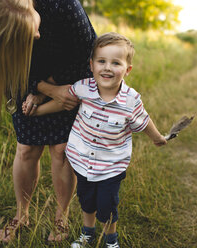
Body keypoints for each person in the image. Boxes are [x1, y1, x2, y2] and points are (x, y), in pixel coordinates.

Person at [0, 0, 96, 244]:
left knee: (61, 150)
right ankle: (21, 215)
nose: (38, 35)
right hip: (23, 77)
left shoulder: (64, 6)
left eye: (33, 28)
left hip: (70, 75)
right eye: (28, 34)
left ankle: (61, 216)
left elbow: (86, 57)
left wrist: (52, 92)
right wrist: (41, 88)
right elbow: (5, 65)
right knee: (26, 148)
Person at [26, 32, 167, 248]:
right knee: (86, 201)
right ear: (91, 65)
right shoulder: (83, 88)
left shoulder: (131, 101)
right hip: (82, 161)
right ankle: (87, 234)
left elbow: (144, 121)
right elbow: (62, 101)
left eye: (115, 63)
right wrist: (38, 111)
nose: (107, 67)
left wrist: (157, 138)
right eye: (101, 61)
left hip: (111, 166)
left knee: (106, 206)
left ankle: (111, 239)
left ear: (127, 69)